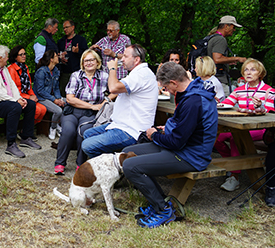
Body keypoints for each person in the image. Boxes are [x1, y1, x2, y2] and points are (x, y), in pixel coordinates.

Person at [122, 62, 218, 228]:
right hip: (182, 147)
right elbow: (189, 127)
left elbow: (177, 142)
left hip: (191, 156)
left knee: (131, 166)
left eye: (166, 87)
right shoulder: (191, 91)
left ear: (174, 82)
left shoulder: (193, 101)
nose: (167, 91)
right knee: (128, 153)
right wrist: (168, 128)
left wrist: (155, 135)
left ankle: (163, 210)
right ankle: (160, 201)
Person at [81, 44, 158, 159]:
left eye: (125, 56)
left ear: (136, 60)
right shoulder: (137, 74)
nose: (122, 59)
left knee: (87, 146)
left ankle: (112, 168)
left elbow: (113, 88)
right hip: (120, 125)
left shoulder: (141, 75)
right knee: (88, 133)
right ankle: (111, 162)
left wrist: (112, 69)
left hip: (131, 131)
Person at [215, 58, 274, 191]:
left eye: (253, 69)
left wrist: (261, 105)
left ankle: (234, 177)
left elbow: (270, 112)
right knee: (217, 138)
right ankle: (231, 164)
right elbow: (226, 104)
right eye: (246, 69)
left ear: (260, 74)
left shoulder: (268, 90)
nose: (248, 72)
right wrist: (215, 101)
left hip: (261, 128)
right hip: (240, 126)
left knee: (236, 137)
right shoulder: (239, 90)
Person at [54, 49, 113, 175]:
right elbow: (70, 98)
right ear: (82, 63)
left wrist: (105, 101)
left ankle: (80, 164)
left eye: (92, 60)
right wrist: (92, 106)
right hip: (73, 111)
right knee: (68, 131)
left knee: (84, 132)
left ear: (97, 62)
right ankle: (60, 163)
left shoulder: (104, 76)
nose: (89, 63)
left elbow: (115, 90)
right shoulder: (76, 75)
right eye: (86, 60)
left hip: (89, 115)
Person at [0, 45, 41, 158]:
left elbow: (12, 85)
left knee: (30, 104)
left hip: (5, 100)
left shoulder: (3, 68)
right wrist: (15, 101)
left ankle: (26, 137)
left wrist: (19, 98)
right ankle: (11, 144)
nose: (8, 59)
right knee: (15, 108)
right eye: (6, 56)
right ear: (0, 58)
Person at [207, 15, 247, 96]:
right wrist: (238, 58)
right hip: (219, 80)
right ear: (226, 26)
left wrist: (228, 61)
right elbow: (217, 59)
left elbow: (213, 58)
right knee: (224, 106)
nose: (234, 29)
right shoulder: (220, 39)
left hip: (209, 80)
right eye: (233, 27)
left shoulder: (210, 37)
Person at [7, 45, 47, 124]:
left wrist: (33, 96)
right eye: (21, 54)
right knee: (37, 110)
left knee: (43, 109)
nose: (24, 56)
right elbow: (14, 90)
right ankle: (25, 131)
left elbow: (29, 87)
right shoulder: (11, 69)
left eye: (24, 54)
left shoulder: (25, 68)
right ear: (15, 57)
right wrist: (29, 97)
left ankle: (27, 130)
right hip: (17, 98)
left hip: (26, 96)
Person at [34, 50, 65, 140]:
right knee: (58, 111)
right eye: (56, 56)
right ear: (51, 59)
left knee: (68, 102)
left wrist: (59, 99)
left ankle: (59, 125)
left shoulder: (55, 71)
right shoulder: (41, 71)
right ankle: (53, 128)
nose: (58, 57)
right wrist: (54, 99)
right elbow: (40, 91)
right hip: (41, 98)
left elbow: (56, 88)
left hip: (52, 96)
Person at [57, 20, 88, 97]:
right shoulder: (61, 41)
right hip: (64, 72)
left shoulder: (80, 40)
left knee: (78, 93)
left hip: (77, 71)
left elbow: (87, 54)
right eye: (64, 28)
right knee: (64, 93)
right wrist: (60, 57)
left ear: (73, 27)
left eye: (67, 27)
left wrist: (78, 51)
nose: (65, 30)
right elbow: (56, 54)